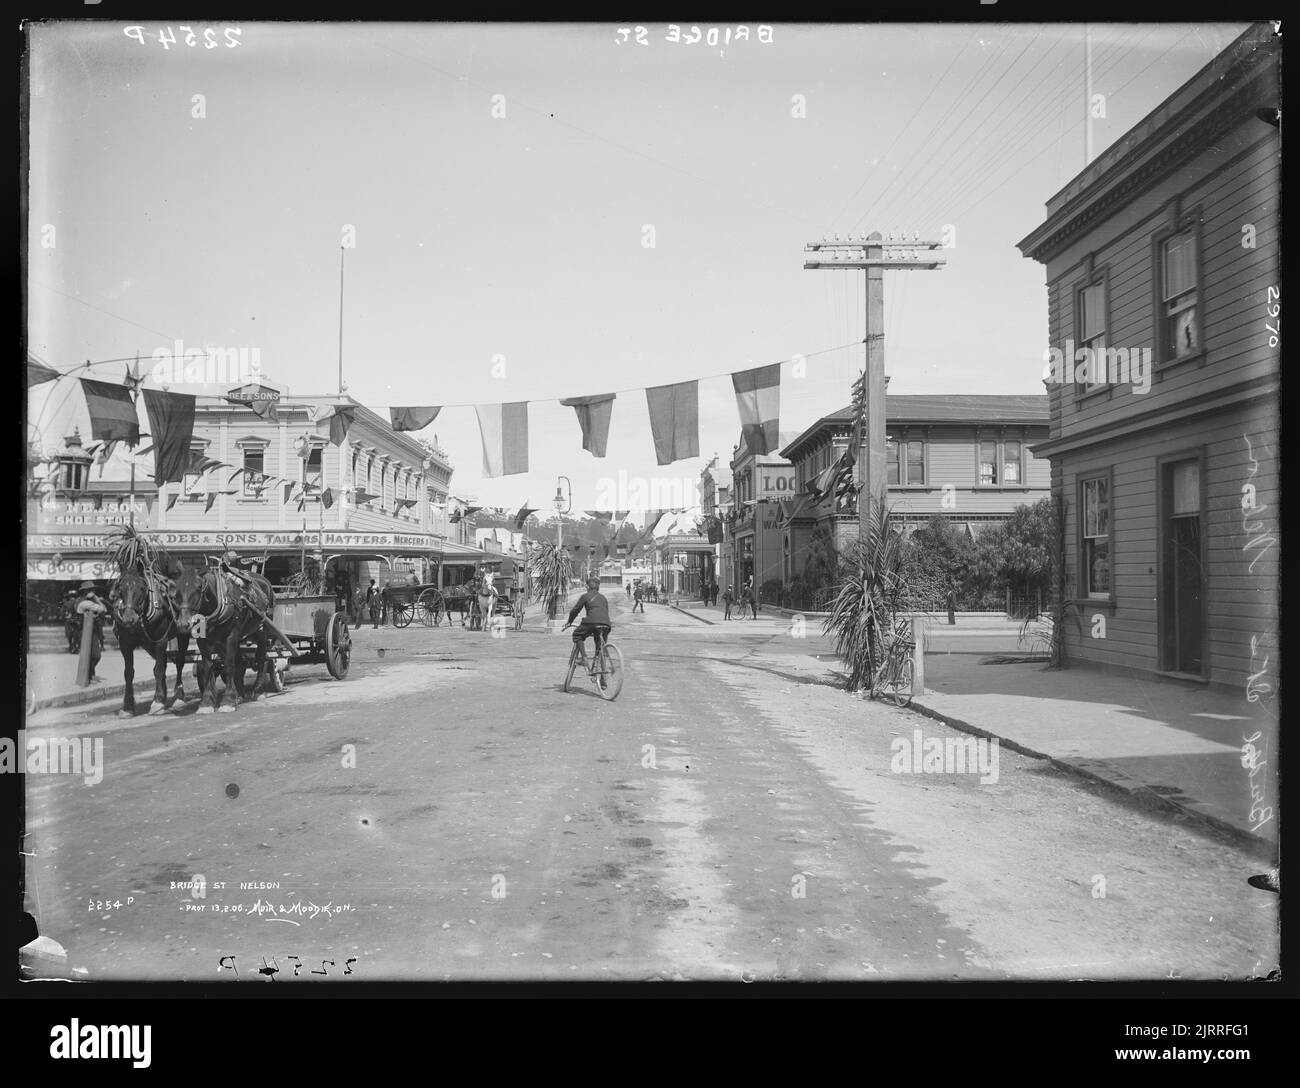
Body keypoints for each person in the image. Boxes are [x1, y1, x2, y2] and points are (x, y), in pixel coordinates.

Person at [564, 576, 612, 672]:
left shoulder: (585, 596)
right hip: (606, 625)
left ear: (587, 587)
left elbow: (575, 610)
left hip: (591, 622)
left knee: (577, 635)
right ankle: (603, 678)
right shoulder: (603, 598)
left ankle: (584, 658)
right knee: (600, 648)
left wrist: (569, 621)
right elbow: (605, 612)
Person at [75, 582, 108, 681]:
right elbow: (103, 609)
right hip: (87, 632)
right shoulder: (85, 603)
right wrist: (96, 598)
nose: (94, 592)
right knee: (96, 655)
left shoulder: (83, 601)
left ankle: (90, 675)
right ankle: (88, 675)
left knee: (91, 654)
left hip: (89, 630)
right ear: (86, 592)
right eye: (92, 590)